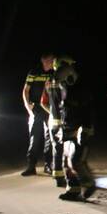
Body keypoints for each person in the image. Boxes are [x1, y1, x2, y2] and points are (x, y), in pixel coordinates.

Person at [51, 63, 97, 201]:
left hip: (79, 130)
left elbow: (88, 112)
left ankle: (89, 184)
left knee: (76, 161)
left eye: (62, 81)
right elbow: (63, 109)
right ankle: (73, 190)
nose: (60, 85)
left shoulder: (82, 91)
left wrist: (86, 129)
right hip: (68, 129)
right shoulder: (65, 87)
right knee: (66, 162)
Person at [43, 54, 75, 187]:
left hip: (53, 120)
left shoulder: (50, 81)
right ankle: (71, 178)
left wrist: (53, 114)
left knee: (56, 149)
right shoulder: (64, 83)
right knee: (69, 149)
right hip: (63, 120)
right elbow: (68, 101)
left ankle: (58, 177)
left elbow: (44, 102)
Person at [20, 52, 55, 176]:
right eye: (49, 59)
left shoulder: (54, 73)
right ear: (43, 60)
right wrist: (28, 107)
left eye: (52, 59)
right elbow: (25, 90)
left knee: (50, 137)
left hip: (50, 108)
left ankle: (48, 165)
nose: (51, 62)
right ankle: (31, 166)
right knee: (35, 137)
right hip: (36, 109)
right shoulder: (34, 72)